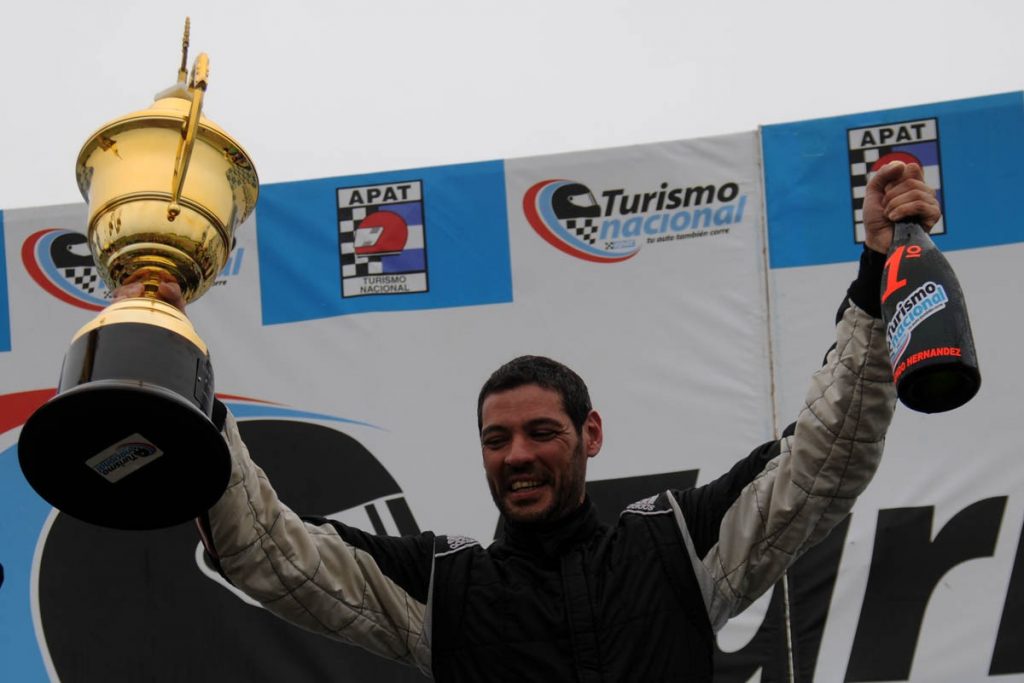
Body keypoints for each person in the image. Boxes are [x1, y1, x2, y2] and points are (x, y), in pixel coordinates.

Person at [117, 160, 940, 681]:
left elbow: (825, 460)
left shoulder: (676, 546)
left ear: (591, 435)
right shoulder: (444, 585)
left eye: (541, 432)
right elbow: (271, 552)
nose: (517, 455)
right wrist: (183, 387)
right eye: (497, 438)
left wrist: (876, 273)